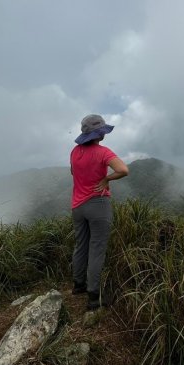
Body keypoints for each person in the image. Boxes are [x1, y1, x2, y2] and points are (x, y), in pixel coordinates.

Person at [70, 114, 129, 310]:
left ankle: (78, 285)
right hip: (98, 205)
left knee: (81, 245)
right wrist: (106, 180)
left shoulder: (74, 152)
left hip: (77, 205)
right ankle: (94, 297)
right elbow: (123, 170)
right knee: (97, 248)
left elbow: (73, 172)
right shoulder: (103, 152)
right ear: (99, 134)